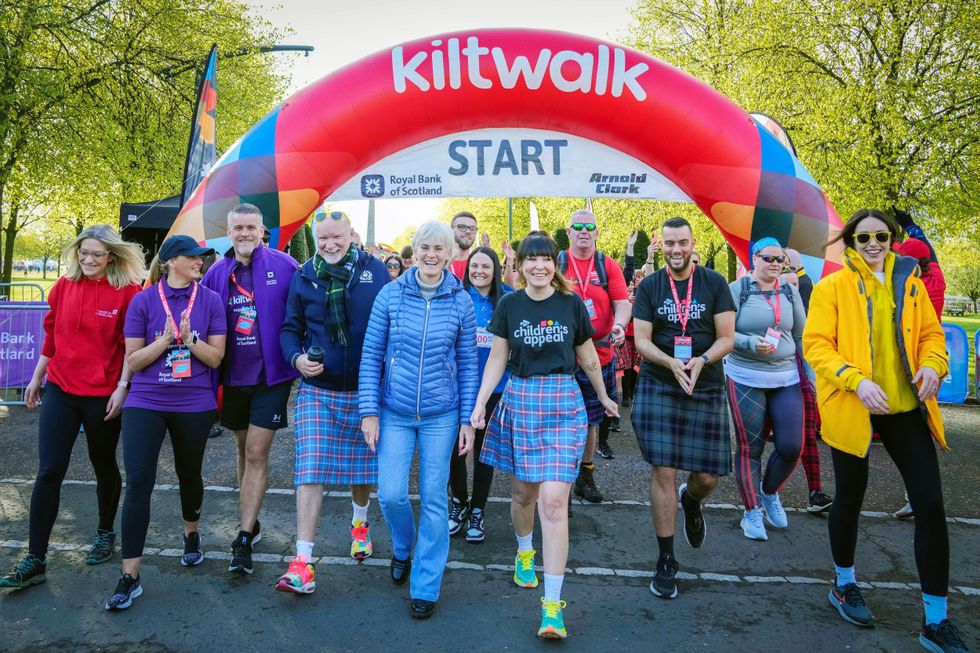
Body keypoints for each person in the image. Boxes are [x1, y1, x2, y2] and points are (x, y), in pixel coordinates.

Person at [804, 209, 970, 652]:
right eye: (864, 237)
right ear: (851, 242)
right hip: (852, 403)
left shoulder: (910, 282)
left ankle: (936, 619)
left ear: (892, 238)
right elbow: (816, 344)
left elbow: (933, 338)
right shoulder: (832, 286)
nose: (873, 244)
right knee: (850, 497)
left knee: (930, 502)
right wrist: (855, 380)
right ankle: (844, 584)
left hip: (904, 406)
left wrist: (935, 366)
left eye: (881, 236)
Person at [473, 231, 618, 639]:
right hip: (520, 400)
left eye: (547, 259)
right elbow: (498, 358)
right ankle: (524, 552)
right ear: (518, 265)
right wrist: (481, 402)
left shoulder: (571, 304)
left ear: (556, 264)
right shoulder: (509, 304)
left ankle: (552, 607)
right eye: (531, 260)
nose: (539, 266)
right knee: (524, 494)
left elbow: (587, 355)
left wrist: (606, 397)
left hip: (563, 403)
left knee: (554, 503)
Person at [0, 226, 144, 590]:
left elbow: (131, 347)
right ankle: (36, 558)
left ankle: (104, 532)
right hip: (61, 390)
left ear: (111, 255)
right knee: (49, 470)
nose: (88, 259)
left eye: (96, 253)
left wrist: (122, 388)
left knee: (103, 464)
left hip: (103, 395)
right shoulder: (63, 287)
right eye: (84, 252)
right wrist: (36, 378)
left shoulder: (128, 293)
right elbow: (52, 336)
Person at [359, 220, 478, 619]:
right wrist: (369, 411)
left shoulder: (460, 301)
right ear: (415, 251)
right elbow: (371, 355)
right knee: (391, 493)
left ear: (449, 255)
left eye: (439, 249)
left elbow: (466, 364)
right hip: (393, 411)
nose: (431, 255)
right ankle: (404, 546)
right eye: (425, 247)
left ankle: (425, 584)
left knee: (433, 499)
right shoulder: (390, 295)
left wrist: (466, 421)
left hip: (441, 415)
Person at [104, 235, 226, 611]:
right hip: (146, 400)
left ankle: (191, 533)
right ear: (172, 261)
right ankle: (130, 575)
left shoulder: (210, 300)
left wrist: (188, 340)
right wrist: (164, 342)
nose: (199, 263)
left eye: (201, 258)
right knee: (139, 481)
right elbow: (135, 360)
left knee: (189, 474)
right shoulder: (143, 300)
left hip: (194, 402)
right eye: (193, 257)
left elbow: (216, 358)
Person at [274, 210, 389, 594]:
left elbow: (391, 324)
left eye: (336, 237)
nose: (329, 245)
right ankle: (303, 561)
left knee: (362, 470)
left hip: (366, 389)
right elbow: (290, 329)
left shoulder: (376, 272)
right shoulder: (304, 276)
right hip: (318, 391)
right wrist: (297, 359)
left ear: (352, 234)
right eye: (322, 238)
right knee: (310, 469)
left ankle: (359, 524)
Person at [631, 216, 735, 599]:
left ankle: (691, 502)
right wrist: (671, 362)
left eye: (683, 243)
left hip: (704, 383)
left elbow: (727, 337)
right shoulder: (651, 286)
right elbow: (641, 340)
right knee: (664, 470)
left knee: (707, 477)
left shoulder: (714, 283)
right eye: (670, 244)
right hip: (661, 383)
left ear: (693, 243)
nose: (676, 250)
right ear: (662, 244)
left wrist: (702, 359)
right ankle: (666, 560)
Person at [200, 203, 299, 574]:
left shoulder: (284, 266)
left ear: (262, 231)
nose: (244, 233)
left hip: (271, 378)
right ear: (229, 233)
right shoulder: (216, 272)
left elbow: (303, 310)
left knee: (257, 452)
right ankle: (251, 519)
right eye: (238, 227)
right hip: (231, 378)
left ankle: (242, 538)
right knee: (243, 448)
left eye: (251, 227)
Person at [726, 238, 806, 540]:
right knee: (751, 448)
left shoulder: (789, 291)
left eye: (780, 259)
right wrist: (748, 343)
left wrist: (810, 377)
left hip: (785, 377)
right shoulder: (738, 291)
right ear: (754, 259)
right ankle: (751, 512)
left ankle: (769, 492)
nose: (775, 264)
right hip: (745, 375)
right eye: (768, 258)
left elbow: (801, 336)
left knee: (791, 446)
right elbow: (721, 333)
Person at [559, 209, 630, 503]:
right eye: (579, 227)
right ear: (569, 232)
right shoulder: (557, 262)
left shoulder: (607, 265)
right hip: (561, 357)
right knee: (561, 421)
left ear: (597, 233)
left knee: (590, 421)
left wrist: (619, 325)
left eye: (590, 227)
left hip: (599, 354)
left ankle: (585, 476)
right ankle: (560, 484)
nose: (584, 231)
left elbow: (623, 302)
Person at [448, 246, 512, 543]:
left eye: (486, 266)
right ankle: (459, 502)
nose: (479, 272)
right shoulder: (455, 296)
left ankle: (478, 509)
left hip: (496, 389)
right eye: (475, 266)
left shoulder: (509, 298)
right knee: (456, 450)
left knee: (484, 453)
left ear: (495, 269)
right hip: (458, 387)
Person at [780, 249, 834, 513]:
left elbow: (804, 334)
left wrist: (811, 376)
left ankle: (815, 492)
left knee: (806, 436)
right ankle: (762, 496)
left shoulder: (804, 284)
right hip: (767, 377)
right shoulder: (755, 292)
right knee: (764, 443)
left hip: (798, 374)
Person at [449, 211, 478, 279]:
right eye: (462, 227)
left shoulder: (480, 266)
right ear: (451, 230)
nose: (468, 231)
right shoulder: (439, 262)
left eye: (472, 228)